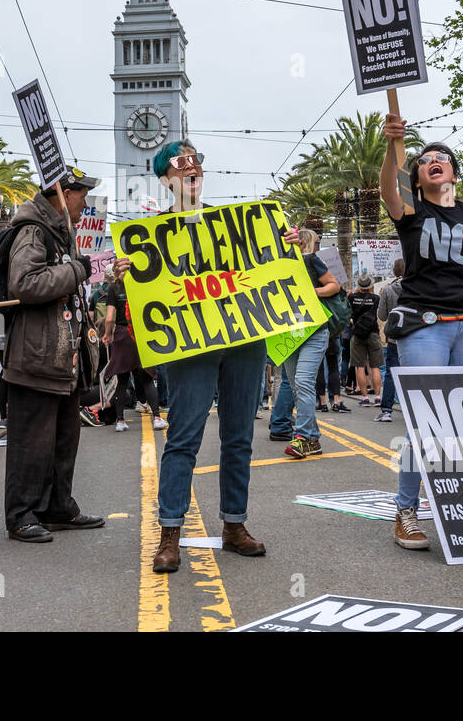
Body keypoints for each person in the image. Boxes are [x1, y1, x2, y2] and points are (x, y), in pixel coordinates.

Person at [111, 141, 300, 573]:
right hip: (189, 344)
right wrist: (118, 274)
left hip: (243, 338)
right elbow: (134, 291)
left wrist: (288, 242)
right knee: (183, 439)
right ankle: (170, 533)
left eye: (197, 164)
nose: (192, 172)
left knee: (239, 436)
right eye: (181, 167)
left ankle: (235, 526)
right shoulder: (151, 235)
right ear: (165, 179)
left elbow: (274, 262)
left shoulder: (236, 225)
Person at [379, 123, 463, 551]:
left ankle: (459, 508)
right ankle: (406, 511)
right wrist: (394, 146)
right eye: (423, 160)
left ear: (454, 171)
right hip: (424, 325)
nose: (433, 161)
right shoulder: (412, 211)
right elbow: (388, 191)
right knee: (425, 420)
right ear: (415, 178)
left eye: (442, 157)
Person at [1, 167, 105, 543]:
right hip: (36, 358)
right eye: (81, 195)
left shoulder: (61, 234)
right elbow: (24, 284)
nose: (85, 203)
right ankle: (21, 515)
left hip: (61, 359)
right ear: (61, 195)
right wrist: (77, 270)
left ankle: (58, 506)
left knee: (63, 438)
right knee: (31, 441)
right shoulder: (33, 231)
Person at [281, 229, 341, 459]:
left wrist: (311, 292)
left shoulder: (310, 260)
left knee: (303, 381)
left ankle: (304, 437)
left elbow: (333, 285)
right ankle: (312, 437)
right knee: (297, 386)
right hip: (287, 333)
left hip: (314, 330)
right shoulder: (273, 264)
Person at [102, 276, 166, 432]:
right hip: (141, 333)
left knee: (122, 380)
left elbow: (109, 318)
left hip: (122, 334)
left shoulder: (113, 288)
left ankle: (120, 421)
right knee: (147, 378)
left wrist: (108, 334)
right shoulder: (143, 282)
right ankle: (157, 418)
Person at [373, 259, 406, 422]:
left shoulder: (387, 290)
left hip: (395, 337)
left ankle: (386, 410)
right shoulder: (418, 287)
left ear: (394, 271)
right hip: (417, 336)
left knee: (392, 374)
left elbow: (382, 315)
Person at [347, 274, 383, 403]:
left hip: (357, 334)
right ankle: (378, 397)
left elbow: (348, 314)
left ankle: (365, 397)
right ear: (371, 286)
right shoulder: (376, 298)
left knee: (360, 366)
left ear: (359, 285)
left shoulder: (352, 297)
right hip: (373, 333)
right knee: (375, 366)